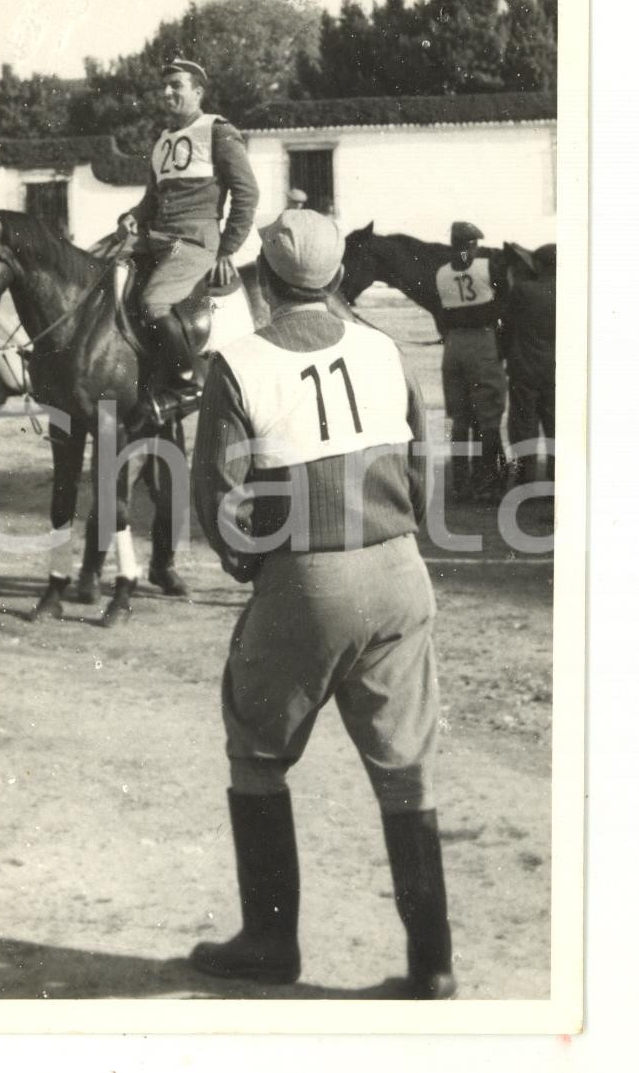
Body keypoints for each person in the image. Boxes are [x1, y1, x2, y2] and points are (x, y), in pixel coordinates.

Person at [190, 209, 456, 998]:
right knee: (406, 769)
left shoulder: (238, 360)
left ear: (263, 282)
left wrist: (250, 567)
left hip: (308, 579)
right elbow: (421, 461)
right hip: (401, 569)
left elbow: (217, 494)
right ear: (338, 277)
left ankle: (271, 943)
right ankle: (432, 962)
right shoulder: (382, 345)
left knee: (257, 750)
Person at [114, 59, 259, 431]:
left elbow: (247, 193)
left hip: (194, 241)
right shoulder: (162, 140)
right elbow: (152, 198)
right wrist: (133, 215)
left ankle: (186, 383)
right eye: (164, 87)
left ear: (198, 91)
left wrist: (227, 249)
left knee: (154, 301)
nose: (167, 93)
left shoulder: (218, 132)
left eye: (176, 85)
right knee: (106, 268)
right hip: (157, 237)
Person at [435, 221, 508, 503]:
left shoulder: (441, 273)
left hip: (453, 346)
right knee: (488, 415)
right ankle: (487, 482)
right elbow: (504, 302)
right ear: (472, 245)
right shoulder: (486, 267)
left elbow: (442, 316)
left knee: (459, 417)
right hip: (481, 342)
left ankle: (461, 484)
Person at [502, 243, 556, 485]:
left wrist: (502, 355)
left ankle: (526, 480)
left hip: (524, 368)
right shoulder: (570, 292)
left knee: (524, 425)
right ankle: (557, 479)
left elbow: (506, 328)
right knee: (556, 424)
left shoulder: (522, 291)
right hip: (556, 370)